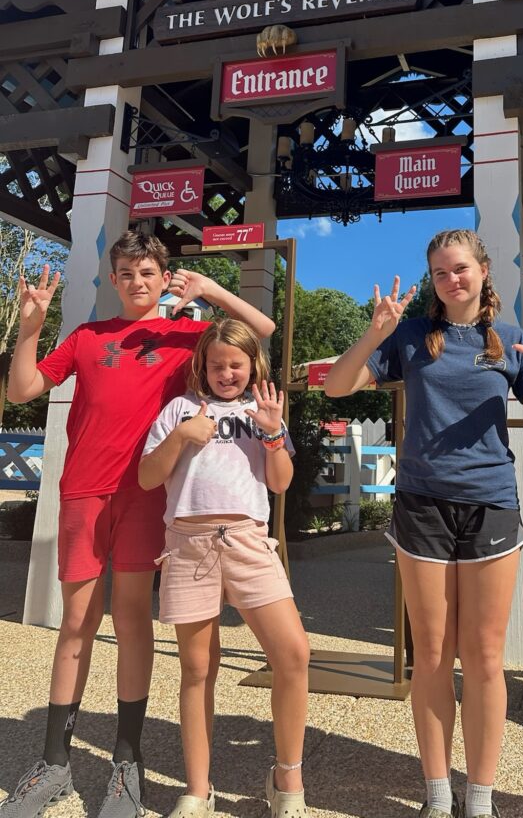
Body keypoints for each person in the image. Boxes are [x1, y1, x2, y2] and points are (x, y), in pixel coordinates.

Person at [0, 231, 275, 818]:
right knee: (76, 622)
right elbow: (22, 389)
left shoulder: (186, 337)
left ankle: (127, 761)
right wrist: (30, 328)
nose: (137, 282)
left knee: (131, 620)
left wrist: (210, 288)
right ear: (114, 279)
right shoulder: (87, 336)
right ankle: (54, 762)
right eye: (126, 273)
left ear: (163, 277)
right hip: (84, 491)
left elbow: (261, 330)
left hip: (147, 495)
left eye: (147, 272)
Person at [325, 229, 523, 818]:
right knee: (431, 654)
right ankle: (437, 792)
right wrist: (375, 332)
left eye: (460, 268)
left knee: (483, 657)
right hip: (422, 504)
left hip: (490, 504)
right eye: (440, 272)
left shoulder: (510, 342)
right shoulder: (410, 336)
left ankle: (479, 797)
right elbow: (336, 387)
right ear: (432, 281)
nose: (451, 279)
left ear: (483, 271)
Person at [139, 319, 309, 818]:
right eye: (217, 364)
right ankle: (198, 789)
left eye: (236, 365)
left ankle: (287, 779)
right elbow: (148, 477)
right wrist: (182, 436)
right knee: (196, 669)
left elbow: (280, 483)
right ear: (203, 365)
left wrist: (274, 433)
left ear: (253, 366)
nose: (226, 373)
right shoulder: (179, 410)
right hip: (188, 545)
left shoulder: (263, 412)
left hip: (248, 541)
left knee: (293, 654)